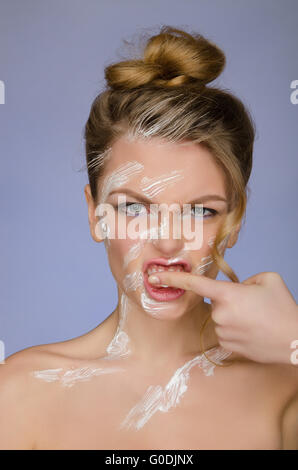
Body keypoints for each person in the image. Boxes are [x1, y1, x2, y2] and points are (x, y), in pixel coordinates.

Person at [0, 26, 297, 450]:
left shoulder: (285, 386)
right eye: (134, 208)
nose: (168, 241)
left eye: (200, 211)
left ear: (234, 220)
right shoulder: (16, 393)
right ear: (95, 214)